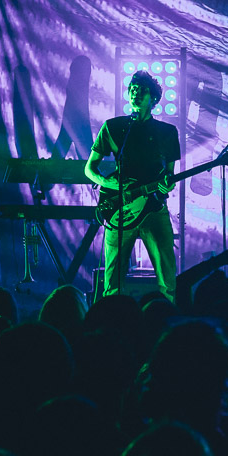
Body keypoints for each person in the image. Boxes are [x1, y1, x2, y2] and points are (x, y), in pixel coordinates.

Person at [85, 71, 180, 298]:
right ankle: (111, 325)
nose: (135, 93)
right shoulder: (113, 127)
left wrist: (167, 186)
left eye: (142, 90)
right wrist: (107, 181)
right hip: (120, 208)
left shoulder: (167, 132)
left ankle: (165, 318)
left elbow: (169, 176)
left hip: (153, 209)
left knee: (167, 278)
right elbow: (89, 169)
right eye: (132, 89)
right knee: (112, 282)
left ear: (154, 98)